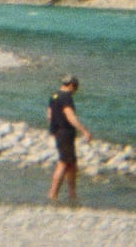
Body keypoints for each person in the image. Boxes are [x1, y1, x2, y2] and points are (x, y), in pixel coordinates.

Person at [46, 74, 92, 202]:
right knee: (63, 163)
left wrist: (54, 128)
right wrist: (84, 131)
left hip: (58, 132)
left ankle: (72, 194)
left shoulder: (54, 96)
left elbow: (49, 115)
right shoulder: (66, 98)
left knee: (72, 164)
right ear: (71, 85)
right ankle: (52, 194)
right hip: (65, 132)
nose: (75, 91)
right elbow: (70, 116)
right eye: (76, 88)